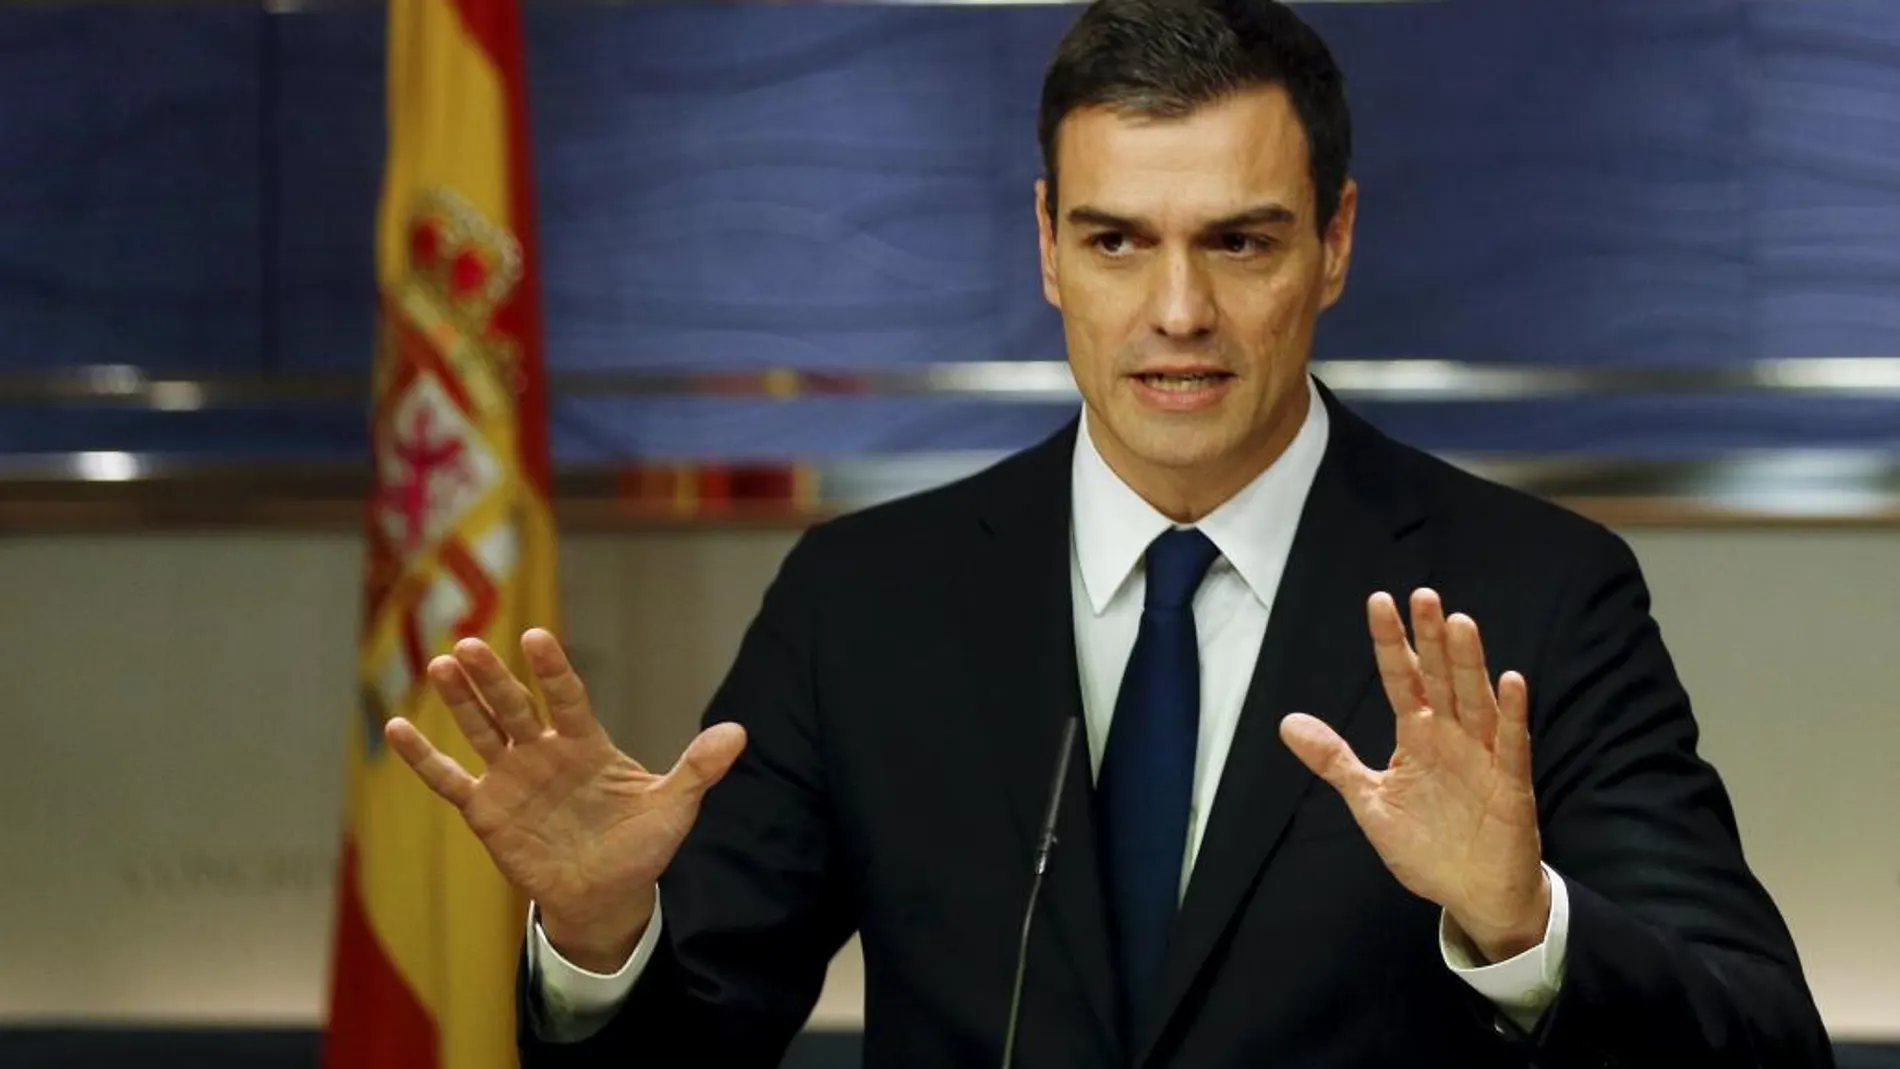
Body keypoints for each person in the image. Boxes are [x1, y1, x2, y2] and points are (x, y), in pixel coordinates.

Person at [385, 0, 1834, 1064]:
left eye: (1241, 241)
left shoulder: (1536, 593)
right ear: (1045, 246)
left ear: (1334, 243)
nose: (1178, 312)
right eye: (1118, 240)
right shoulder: (866, 600)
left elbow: (1763, 1041)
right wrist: (594, 941)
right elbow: (683, 1049)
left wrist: (1526, 932)